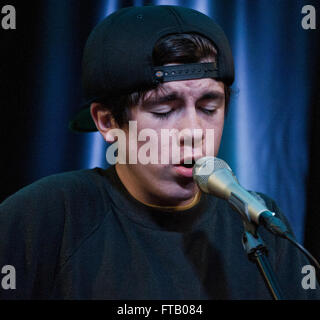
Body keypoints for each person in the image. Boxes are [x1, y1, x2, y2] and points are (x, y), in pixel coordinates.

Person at [0, 5, 319, 300]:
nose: (194, 132)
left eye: (209, 107)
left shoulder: (260, 219)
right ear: (108, 121)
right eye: (165, 109)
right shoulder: (44, 216)